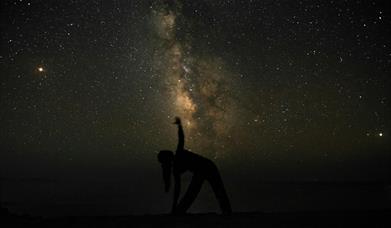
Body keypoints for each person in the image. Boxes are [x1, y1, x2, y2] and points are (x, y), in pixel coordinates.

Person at [158, 117, 232, 215]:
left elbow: (181, 139)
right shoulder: (175, 168)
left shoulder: (179, 155)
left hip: (207, 167)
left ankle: (227, 213)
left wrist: (180, 126)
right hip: (201, 171)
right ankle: (179, 211)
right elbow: (177, 189)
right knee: (195, 192)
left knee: (215, 191)